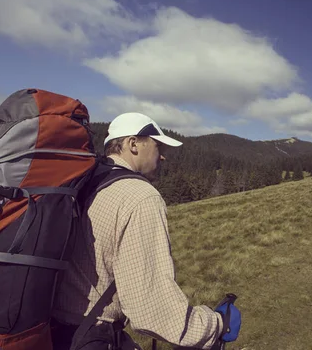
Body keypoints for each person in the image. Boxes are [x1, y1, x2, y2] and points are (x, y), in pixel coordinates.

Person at [51, 112, 240, 350]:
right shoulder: (141, 196)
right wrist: (216, 325)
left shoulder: (85, 182)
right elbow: (151, 309)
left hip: (51, 332)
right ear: (133, 144)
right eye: (157, 145)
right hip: (92, 338)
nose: (163, 157)